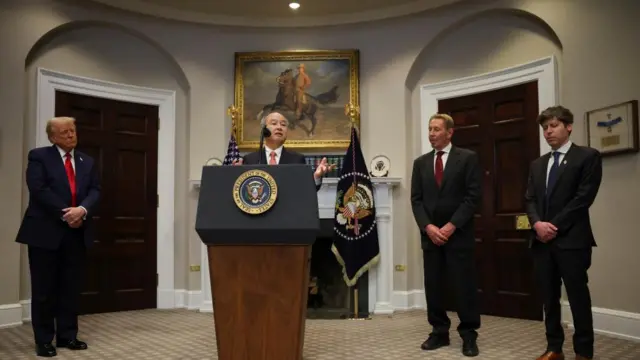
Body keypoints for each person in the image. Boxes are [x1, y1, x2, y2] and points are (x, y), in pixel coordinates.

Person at [16, 117, 101, 357]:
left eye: (73, 130)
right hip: (45, 232)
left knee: (70, 287)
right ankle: (44, 340)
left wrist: (82, 210)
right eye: (64, 132)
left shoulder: (87, 161)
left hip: (77, 231)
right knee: (44, 289)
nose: (71, 135)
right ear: (52, 137)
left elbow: (95, 190)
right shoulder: (39, 156)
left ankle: (67, 336)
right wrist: (67, 213)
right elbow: (38, 188)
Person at [525, 106, 602, 360]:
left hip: (572, 240)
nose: (548, 132)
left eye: (553, 126)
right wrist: (537, 224)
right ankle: (554, 348)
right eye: (545, 127)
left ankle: (584, 352)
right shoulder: (538, 164)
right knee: (549, 298)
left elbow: (583, 199)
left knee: (578, 297)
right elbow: (530, 200)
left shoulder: (587, 157)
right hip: (541, 242)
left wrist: (552, 227)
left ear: (568, 127)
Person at [410, 113, 482, 357]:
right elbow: (416, 200)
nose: (431, 133)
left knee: (464, 286)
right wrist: (428, 227)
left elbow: (472, 198)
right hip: (431, 237)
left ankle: (469, 335)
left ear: (450, 132)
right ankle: (439, 332)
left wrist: (451, 226)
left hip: (458, 235)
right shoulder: (420, 163)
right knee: (434, 286)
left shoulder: (468, 158)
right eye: (429, 129)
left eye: (437, 129)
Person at [233, 110, 333, 186]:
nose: (279, 127)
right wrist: (235, 175)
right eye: (274, 123)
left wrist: (316, 176)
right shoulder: (250, 159)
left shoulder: (297, 159)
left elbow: (305, 190)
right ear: (264, 130)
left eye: (283, 124)